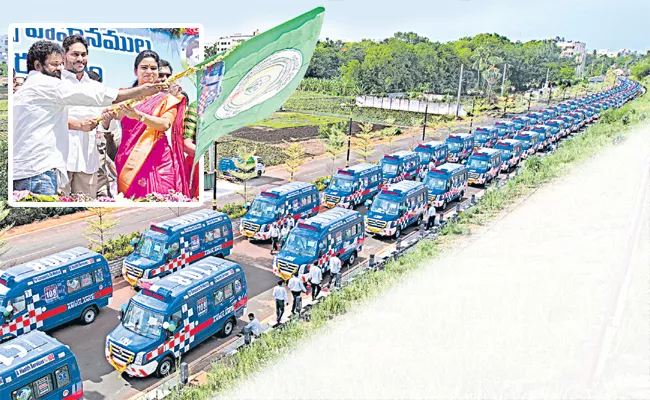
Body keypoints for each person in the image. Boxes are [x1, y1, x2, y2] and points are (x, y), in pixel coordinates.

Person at [12, 40, 162, 196]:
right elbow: (94, 96)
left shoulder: (31, 87)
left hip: (81, 160)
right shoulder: (48, 84)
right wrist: (139, 92)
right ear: (38, 65)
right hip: (40, 169)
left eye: (83, 54)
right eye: (55, 64)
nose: (59, 68)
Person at [108, 50, 190, 200]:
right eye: (144, 67)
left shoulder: (166, 99)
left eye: (153, 68)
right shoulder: (124, 96)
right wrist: (107, 118)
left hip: (158, 159)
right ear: (135, 71)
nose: (149, 72)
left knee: (162, 198)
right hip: (129, 158)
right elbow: (113, 116)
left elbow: (165, 124)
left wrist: (138, 116)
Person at [61, 35, 103, 198]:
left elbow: (104, 121)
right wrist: (77, 125)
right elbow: (46, 118)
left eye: (84, 54)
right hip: (61, 160)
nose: (80, 59)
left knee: (87, 211)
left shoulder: (96, 87)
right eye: (75, 54)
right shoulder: (53, 83)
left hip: (88, 160)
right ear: (63, 55)